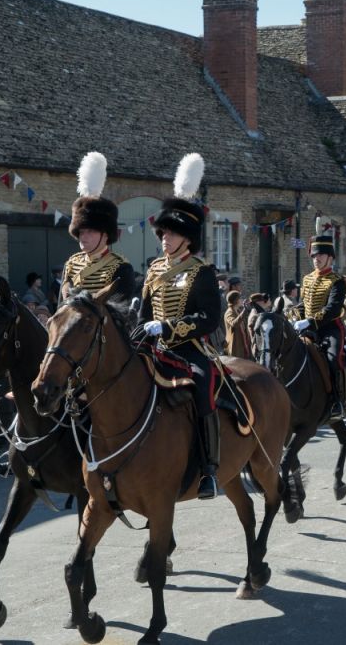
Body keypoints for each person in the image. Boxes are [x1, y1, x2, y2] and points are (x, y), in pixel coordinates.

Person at [138, 153, 221, 500]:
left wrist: (169, 329)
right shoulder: (155, 269)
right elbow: (142, 311)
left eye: (172, 234)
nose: (165, 239)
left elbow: (209, 318)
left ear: (188, 238)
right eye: (163, 233)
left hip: (188, 349)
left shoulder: (201, 271)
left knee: (203, 387)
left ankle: (210, 468)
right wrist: (143, 330)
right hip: (153, 347)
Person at [60, 151, 136, 305]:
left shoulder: (120, 267)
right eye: (81, 231)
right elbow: (61, 308)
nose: (84, 236)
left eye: (90, 231)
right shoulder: (71, 264)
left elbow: (119, 315)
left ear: (105, 235)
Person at [294, 234, 346, 417]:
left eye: (320, 255)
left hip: (330, 329)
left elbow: (333, 309)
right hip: (307, 329)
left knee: (333, 359)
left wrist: (308, 321)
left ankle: (335, 400)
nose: (316, 259)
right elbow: (303, 304)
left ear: (330, 257)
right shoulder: (307, 279)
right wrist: (295, 317)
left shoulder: (337, 281)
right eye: (314, 256)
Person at [224, 290, 252, 359]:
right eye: (240, 298)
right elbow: (234, 324)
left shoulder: (238, 310)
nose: (241, 300)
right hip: (235, 347)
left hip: (242, 345)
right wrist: (244, 311)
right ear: (235, 301)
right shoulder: (229, 312)